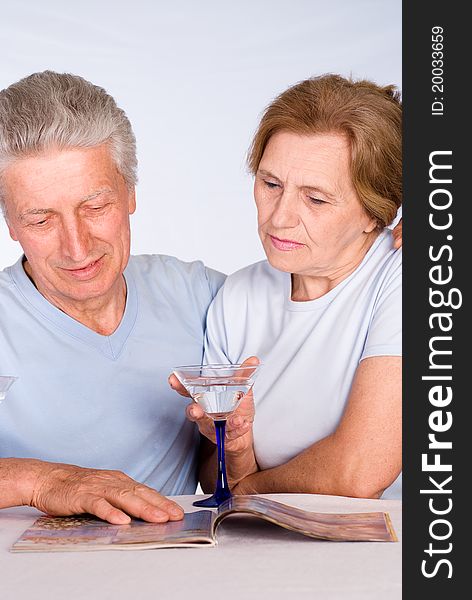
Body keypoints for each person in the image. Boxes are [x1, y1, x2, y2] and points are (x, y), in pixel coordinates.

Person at [0, 71, 226, 523]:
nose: (77, 248)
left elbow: (329, 291)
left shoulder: (202, 296)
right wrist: (43, 482)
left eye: (95, 207)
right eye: (41, 220)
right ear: (10, 222)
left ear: (130, 193)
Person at [171, 74, 402, 500]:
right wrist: (236, 448)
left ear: (376, 212)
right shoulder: (240, 295)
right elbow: (211, 475)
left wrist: (246, 489)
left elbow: (358, 473)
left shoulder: (406, 276)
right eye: (270, 184)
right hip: (273, 552)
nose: (279, 218)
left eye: (315, 199)